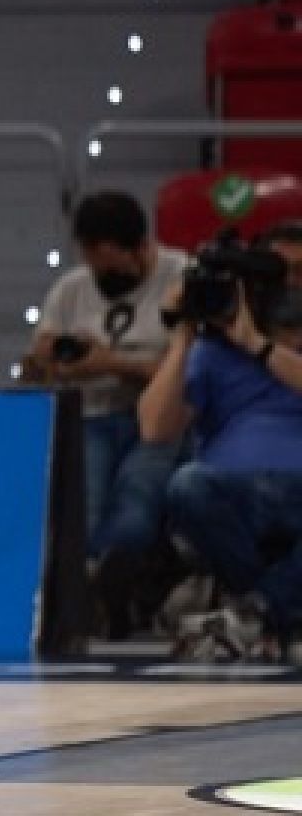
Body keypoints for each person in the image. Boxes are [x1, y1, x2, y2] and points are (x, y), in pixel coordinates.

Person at [22, 191, 188, 638]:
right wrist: (45, 360)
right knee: (85, 512)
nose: (102, 273)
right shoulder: (72, 289)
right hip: (90, 416)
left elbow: (191, 366)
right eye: (95, 263)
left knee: (136, 503)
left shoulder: (181, 279)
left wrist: (112, 363)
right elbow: (34, 364)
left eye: (111, 265)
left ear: (140, 248)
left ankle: (110, 584)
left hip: (157, 420)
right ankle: (93, 593)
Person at [140, 222, 302, 662]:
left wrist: (258, 346)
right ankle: (268, 614)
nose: (292, 285)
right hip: (233, 490)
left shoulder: (256, 345)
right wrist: (181, 337)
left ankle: (256, 615)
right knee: (187, 484)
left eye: (300, 272)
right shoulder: (212, 352)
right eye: (282, 273)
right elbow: (154, 428)